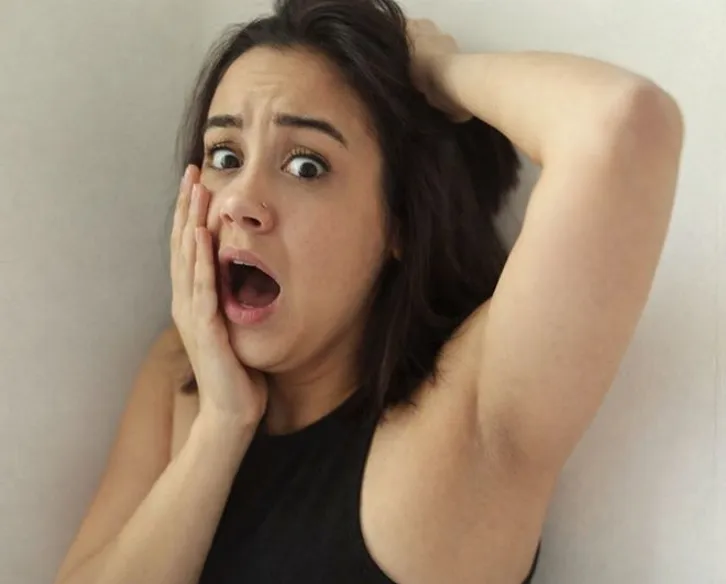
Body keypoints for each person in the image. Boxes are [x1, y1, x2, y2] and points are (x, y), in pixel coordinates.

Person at [54, 0, 684, 582]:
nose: (240, 200)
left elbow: (623, 125)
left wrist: (439, 71)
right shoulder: (181, 369)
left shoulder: (461, 425)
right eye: (224, 155)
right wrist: (222, 426)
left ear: (398, 224)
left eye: (306, 165)